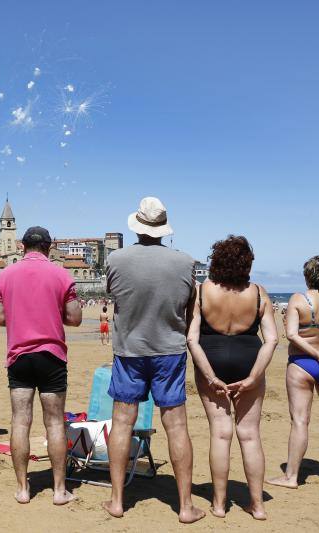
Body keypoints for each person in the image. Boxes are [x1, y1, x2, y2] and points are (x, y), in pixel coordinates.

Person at [103, 197, 205, 523]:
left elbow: (114, 295)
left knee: (122, 423)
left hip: (129, 350)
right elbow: (190, 305)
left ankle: (117, 501)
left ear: (137, 226)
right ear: (163, 228)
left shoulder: (116, 259)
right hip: (169, 351)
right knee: (176, 426)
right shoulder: (185, 262)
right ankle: (186, 506)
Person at [186, 236, 278, 520]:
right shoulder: (259, 293)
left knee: (220, 433)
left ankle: (218, 505)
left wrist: (210, 376)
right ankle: (257, 506)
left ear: (216, 261)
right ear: (247, 263)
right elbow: (272, 340)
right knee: (249, 435)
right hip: (249, 361)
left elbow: (192, 339)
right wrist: (253, 378)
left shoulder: (202, 291)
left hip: (211, 361)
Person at [0, 226, 82, 506]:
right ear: (48, 246)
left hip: (19, 355)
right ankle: (59, 490)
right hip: (51, 355)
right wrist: (52, 312)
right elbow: (75, 318)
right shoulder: (61, 274)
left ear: (22, 246)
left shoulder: (5, 275)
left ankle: (23, 489)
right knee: (54, 422)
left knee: (20, 420)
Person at [267, 255, 319, 490]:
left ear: (307, 276)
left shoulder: (299, 299)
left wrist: (317, 356)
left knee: (300, 421)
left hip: (303, 362)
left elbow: (292, 335)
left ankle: (291, 477)